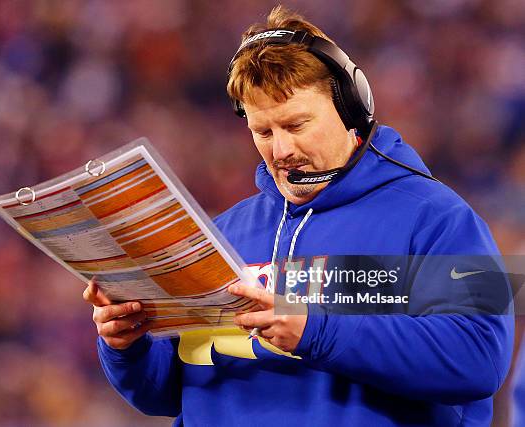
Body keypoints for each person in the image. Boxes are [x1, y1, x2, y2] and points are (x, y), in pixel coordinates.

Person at [83, 6, 513, 426]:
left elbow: (480, 356)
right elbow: (166, 391)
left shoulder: (439, 218)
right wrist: (127, 345)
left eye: (297, 125)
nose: (281, 150)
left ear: (350, 111)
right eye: (263, 132)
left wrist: (316, 331)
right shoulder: (223, 233)